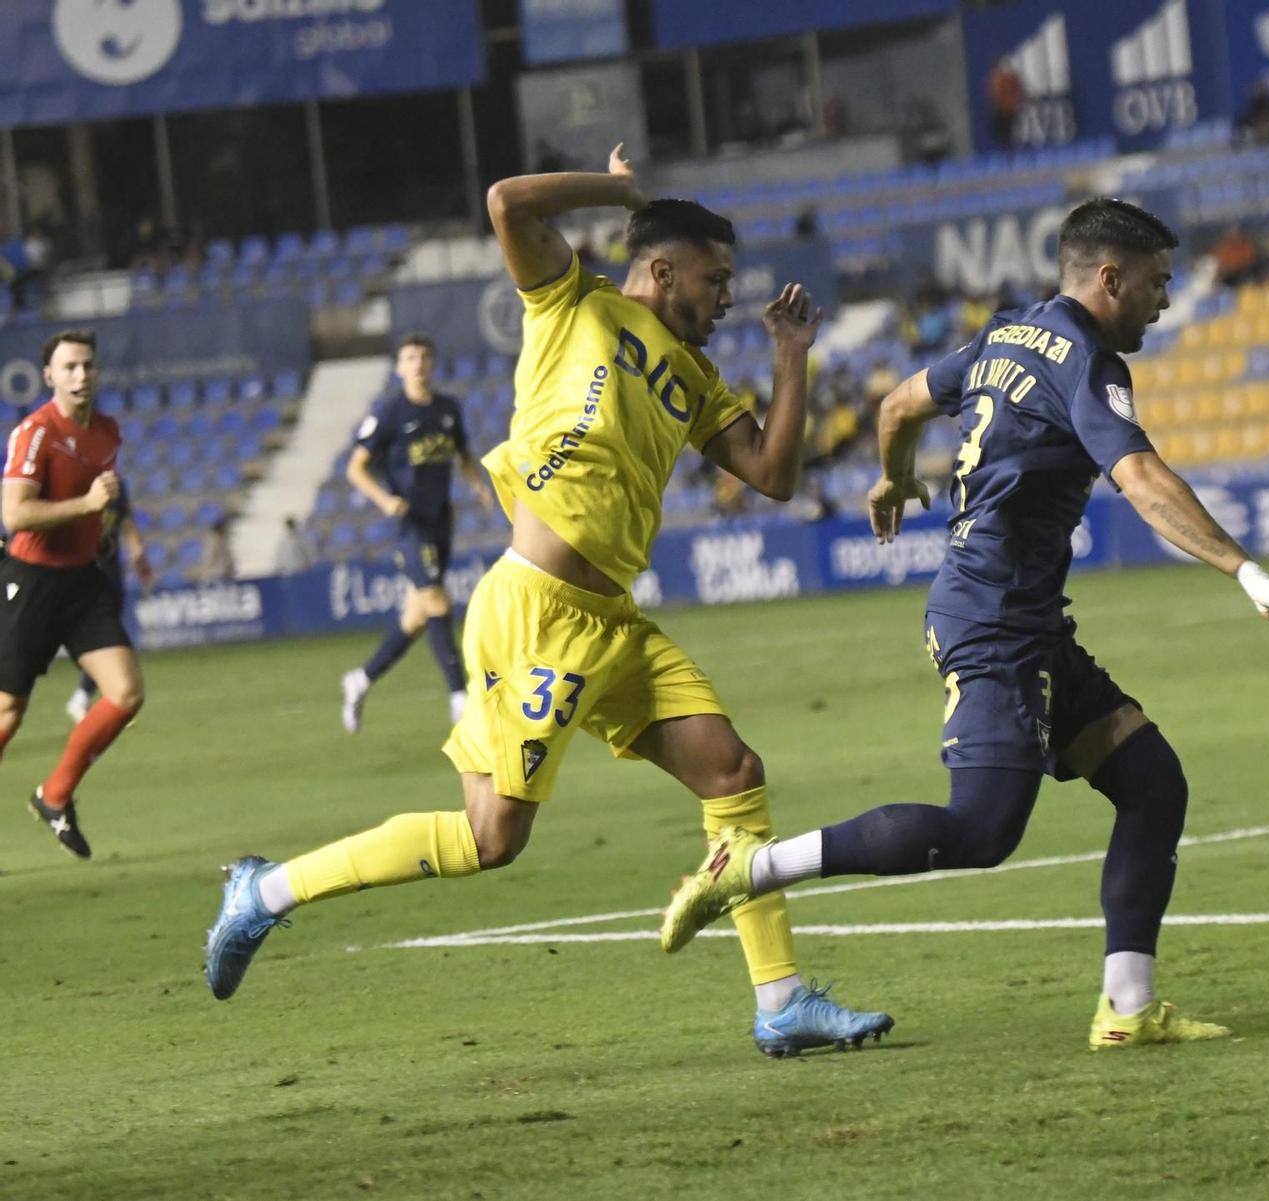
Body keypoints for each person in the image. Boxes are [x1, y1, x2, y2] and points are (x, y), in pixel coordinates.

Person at [203, 146, 893, 1059]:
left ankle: (782, 1002)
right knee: (493, 838)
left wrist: (791, 358)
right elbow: (504, 202)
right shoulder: (572, 300)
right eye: (714, 277)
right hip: (536, 611)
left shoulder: (693, 378)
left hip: (613, 624)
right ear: (661, 269)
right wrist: (615, 191)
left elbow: (772, 471)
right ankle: (266, 891)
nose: (726, 294)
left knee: (732, 771)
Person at [659, 198, 1269, 1049]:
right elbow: (1143, 479)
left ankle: (1126, 1006)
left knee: (1153, 782)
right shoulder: (1086, 361)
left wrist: (892, 480)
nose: (1163, 301)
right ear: (1108, 278)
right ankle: (751, 865)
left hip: (1021, 617)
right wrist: (1245, 569)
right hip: (995, 621)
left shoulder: (1007, 334)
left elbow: (896, 406)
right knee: (982, 827)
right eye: (1155, 284)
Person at [2, 330, 147, 859]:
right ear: (50, 376)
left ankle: (55, 795)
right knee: (7, 711)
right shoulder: (35, 432)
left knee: (126, 693)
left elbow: (94, 501)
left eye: (87, 365)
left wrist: (98, 528)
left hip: (82, 580)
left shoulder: (107, 432)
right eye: (69, 367)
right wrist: (86, 507)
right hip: (32, 580)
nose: (80, 375)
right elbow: (15, 514)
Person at [338, 334, 492, 732]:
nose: (418, 363)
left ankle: (362, 678)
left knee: (417, 615)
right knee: (438, 601)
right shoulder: (390, 411)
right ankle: (460, 695)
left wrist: (477, 483)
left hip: (441, 520)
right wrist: (384, 499)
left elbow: (462, 453)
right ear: (399, 368)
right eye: (410, 358)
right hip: (410, 524)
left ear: (433, 363)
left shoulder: (447, 408)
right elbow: (355, 468)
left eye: (425, 356)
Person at [64, 482, 151, 725]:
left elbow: (126, 519)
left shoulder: (118, 485)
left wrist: (138, 553)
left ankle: (88, 697)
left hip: (111, 568)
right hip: (84, 568)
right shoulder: (79, 483)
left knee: (112, 632)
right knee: (106, 634)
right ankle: (95, 697)